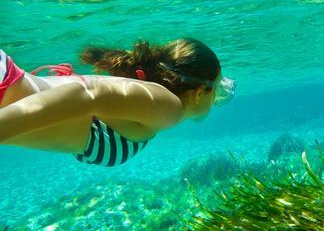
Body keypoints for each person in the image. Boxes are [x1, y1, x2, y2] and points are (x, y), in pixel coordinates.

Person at [0, 38, 235, 167]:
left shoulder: (154, 108)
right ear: (199, 92)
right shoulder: (169, 108)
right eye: (217, 88)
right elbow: (87, 94)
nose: (217, 99)